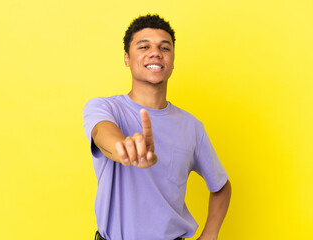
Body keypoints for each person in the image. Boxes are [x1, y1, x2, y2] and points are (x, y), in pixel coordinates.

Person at [83, 14, 231, 240]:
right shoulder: (104, 107)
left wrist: (210, 234)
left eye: (165, 48)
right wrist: (124, 149)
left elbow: (221, 186)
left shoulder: (192, 127)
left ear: (172, 62)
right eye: (144, 46)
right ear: (126, 58)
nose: (155, 52)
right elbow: (102, 133)